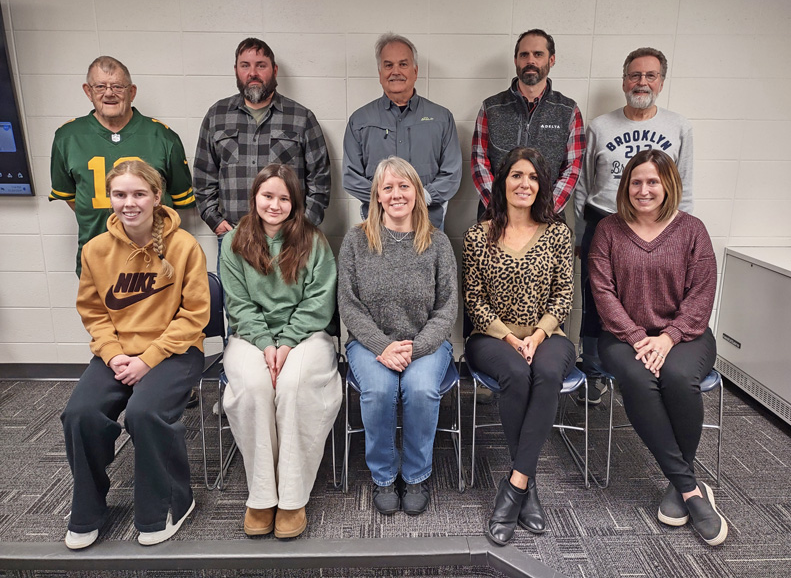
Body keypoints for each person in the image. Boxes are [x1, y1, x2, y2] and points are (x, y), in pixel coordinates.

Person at [61, 159, 209, 550]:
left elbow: (195, 316)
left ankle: (173, 502)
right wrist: (113, 357)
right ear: (109, 198)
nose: (130, 203)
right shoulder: (95, 250)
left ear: (157, 197)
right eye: (120, 194)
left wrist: (148, 359)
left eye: (139, 193)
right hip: (118, 355)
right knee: (80, 414)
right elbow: (94, 314)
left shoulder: (183, 246)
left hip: (175, 352)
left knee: (145, 413)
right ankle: (89, 508)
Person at [589, 149, 725, 546]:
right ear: (625, 186)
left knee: (679, 378)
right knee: (639, 379)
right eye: (636, 182)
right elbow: (603, 292)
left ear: (668, 185)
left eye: (652, 182)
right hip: (621, 337)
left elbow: (702, 293)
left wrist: (668, 338)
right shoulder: (609, 230)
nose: (644, 190)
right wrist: (636, 338)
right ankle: (690, 489)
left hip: (686, 334)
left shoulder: (692, 229)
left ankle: (679, 485)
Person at [219, 164, 341, 539]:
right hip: (250, 337)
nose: (274, 204)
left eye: (283, 198)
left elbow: (319, 303)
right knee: (254, 388)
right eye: (267, 196)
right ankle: (261, 494)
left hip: (307, 337)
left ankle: (291, 497)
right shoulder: (234, 241)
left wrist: (286, 342)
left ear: (295, 202)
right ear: (254, 197)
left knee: (294, 387)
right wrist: (265, 343)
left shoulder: (313, 240)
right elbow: (238, 304)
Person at [463, 147, 575, 546]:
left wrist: (538, 335)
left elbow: (564, 296)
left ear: (542, 184)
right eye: (516, 175)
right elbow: (473, 299)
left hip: (548, 336)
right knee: (515, 373)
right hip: (492, 338)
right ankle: (526, 488)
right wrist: (510, 338)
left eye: (532, 176)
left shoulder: (559, 233)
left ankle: (516, 485)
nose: (524, 183)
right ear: (502, 183)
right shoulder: (479, 233)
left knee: (545, 372)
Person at [338, 156, 458, 516]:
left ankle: (417, 474)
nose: (396, 194)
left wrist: (415, 348)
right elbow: (348, 304)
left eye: (404, 186)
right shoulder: (356, 241)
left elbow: (447, 307)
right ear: (376, 195)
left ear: (417, 192)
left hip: (426, 344)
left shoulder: (437, 243)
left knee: (420, 389)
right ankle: (385, 477)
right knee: (379, 390)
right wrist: (382, 346)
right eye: (387, 187)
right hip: (369, 343)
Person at [574, 47, 694, 405]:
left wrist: (684, 235)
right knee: (598, 301)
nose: (641, 82)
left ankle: (646, 364)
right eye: (634, 75)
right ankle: (594, 374)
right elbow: (582, 184)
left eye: (650, 75)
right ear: (624, 79)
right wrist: (583, 232)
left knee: (656, 298)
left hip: (659, 227)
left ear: (661, 81)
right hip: (604, 222)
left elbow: (684, 185)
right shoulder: (600, 126)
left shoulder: (679, 127)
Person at [49, 56, 195, 276]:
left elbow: (177, 200)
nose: (109, 93)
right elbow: (71, 197)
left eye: (117, 86)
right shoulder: (67, 137)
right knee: (99, 311)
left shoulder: (164, 137)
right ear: (88, 91)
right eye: (100, 86)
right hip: (100, 258)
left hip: (156, 257)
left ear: (132, 92)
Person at [194, 37, 331, 264]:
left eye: (261, 65)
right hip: (234, 238)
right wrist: (216, 222)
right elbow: (203, 177)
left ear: (274, 70)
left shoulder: (301, 118)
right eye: (245, 65)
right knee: (235, 301)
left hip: (289, 240)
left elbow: (320, 179)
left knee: (291, 299)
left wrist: (304, 227)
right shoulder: (217, 116)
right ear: (236, 70)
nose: (253, 73)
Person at [343, 33, 461, 230]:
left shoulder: (442, 118)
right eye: (388, 65)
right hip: (377, 226)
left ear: (415, 71)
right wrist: (387, 199)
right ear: (380, 73)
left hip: (429, 225)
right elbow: (350, 177)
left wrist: (418, 198)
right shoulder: (359, 121)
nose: (395, 71)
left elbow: (452, 175)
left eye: (403, 64)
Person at [471, 29, 584, 220]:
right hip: (496, 217)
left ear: (551, 60)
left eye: (538, 54)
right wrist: (500, 207)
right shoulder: (491, 107)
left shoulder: (568, 110)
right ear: (516, 60)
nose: (530, 60)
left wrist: (545, 210)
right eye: (524, 55)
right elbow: (479, 162)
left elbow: (572, 169)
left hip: (549, 218)